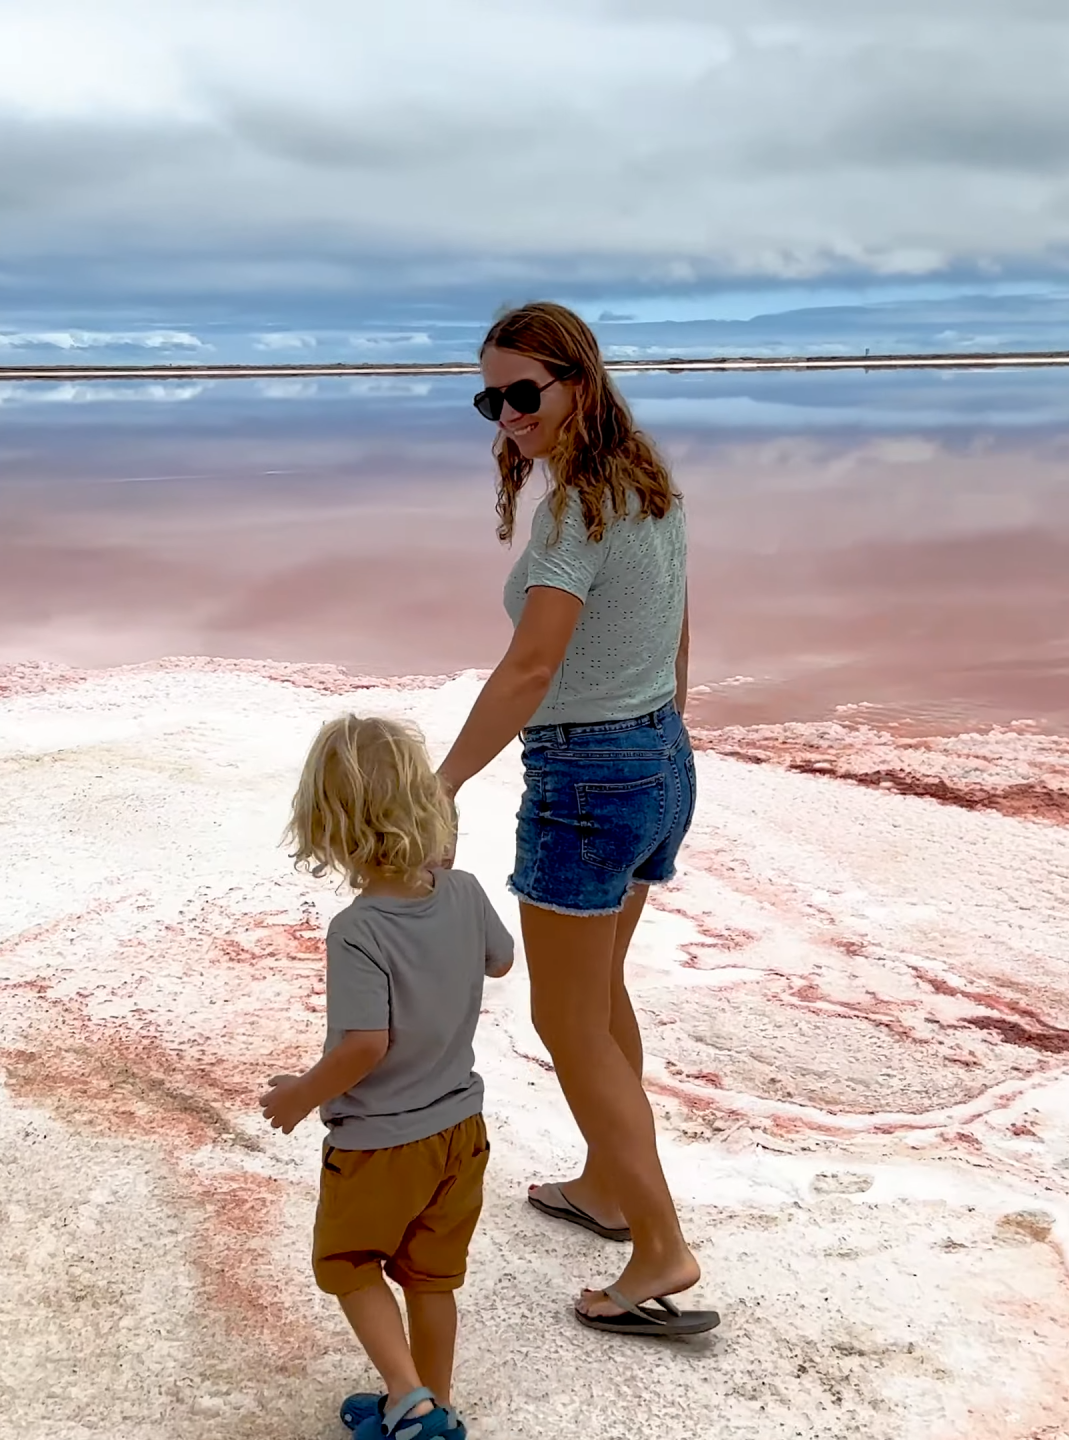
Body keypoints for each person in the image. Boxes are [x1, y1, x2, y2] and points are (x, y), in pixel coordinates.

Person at [435, 302, 719, 1339]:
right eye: (490, 398)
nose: (507, 415)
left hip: (590, 775)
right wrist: (667, 737)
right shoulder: (653, 491)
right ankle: (608, 1186)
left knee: (564, 1018)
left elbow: (532, 666)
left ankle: (659, 1244)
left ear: (578, 385)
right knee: (598, 997)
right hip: (655, 759)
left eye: (524, 393)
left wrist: (444, 781)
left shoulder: (578, 512)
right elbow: (680, 626)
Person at [262, 714, 514, 1439]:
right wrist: (448, 879)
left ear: (330, 826)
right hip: (459, 1129)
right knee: (431, 1279)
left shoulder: (360, 929)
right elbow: (500, 961)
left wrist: (301, 1094)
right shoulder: (463, 891)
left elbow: (364, 1045)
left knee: (347, 1262)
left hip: (381, 1142)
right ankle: (432, 1404)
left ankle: (411, 1403)